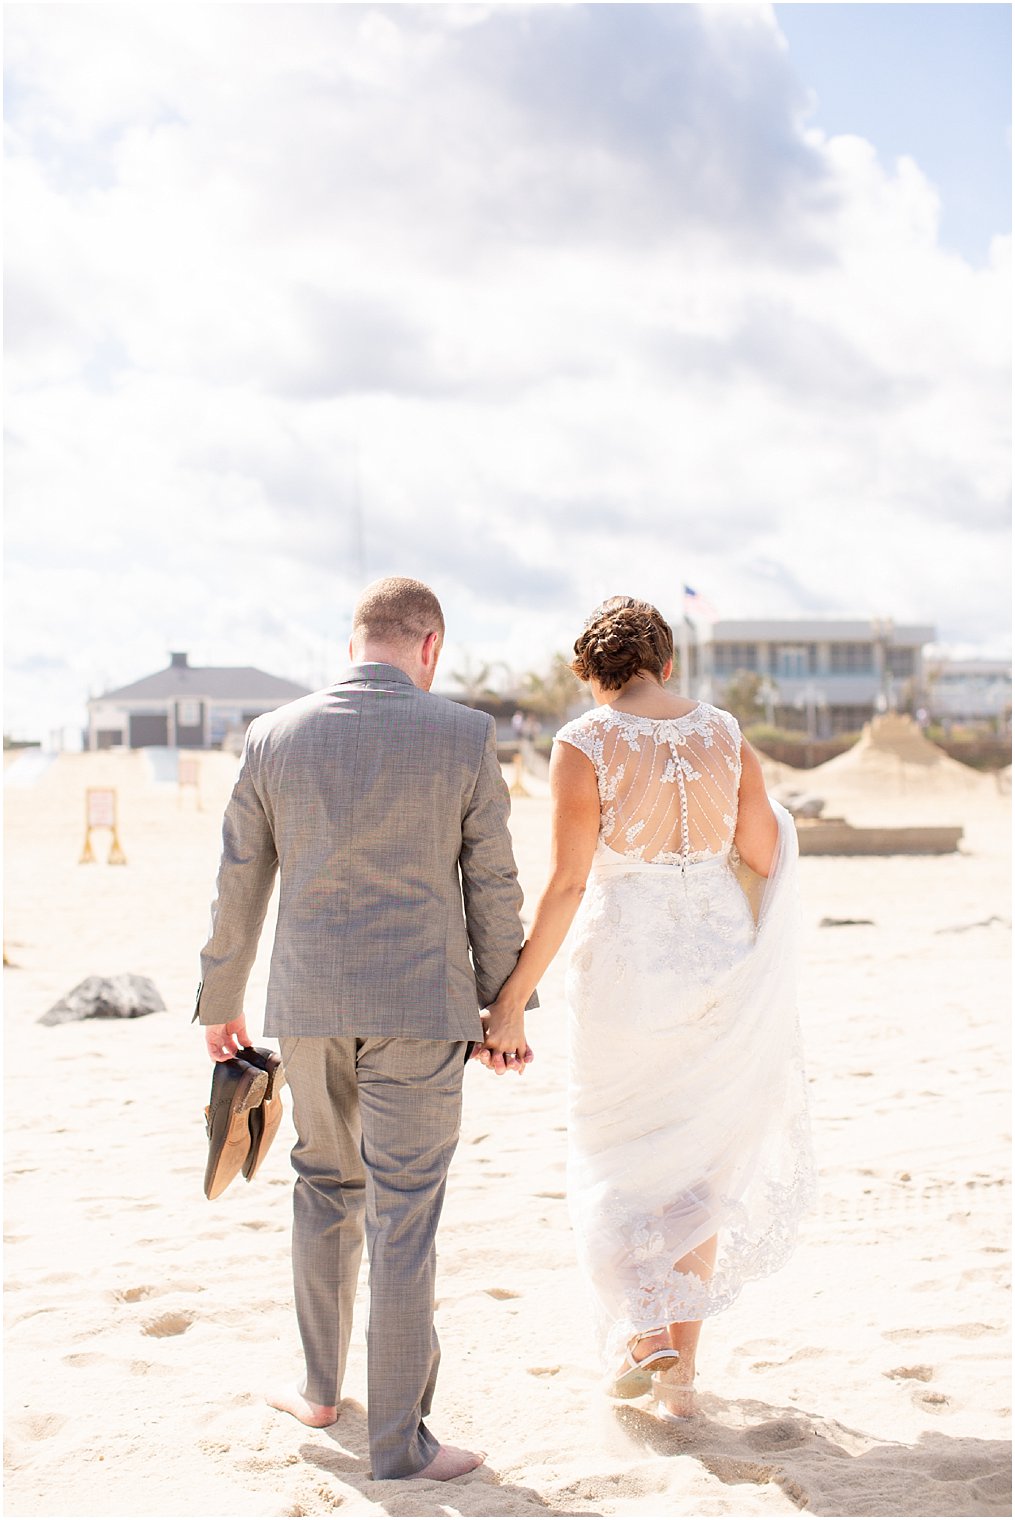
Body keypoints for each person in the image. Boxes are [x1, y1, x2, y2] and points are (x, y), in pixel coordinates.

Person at [195, 576, 534, 1480]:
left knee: (323, 1183)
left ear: (355, 642)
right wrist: (506, 1009)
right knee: (405, 1217)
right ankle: (398, 1444)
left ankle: (316, 1390)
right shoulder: (463, 734)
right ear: (430, 645)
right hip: (421, 1007)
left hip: (306, 1004)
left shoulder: (274, 735)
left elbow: (238, 878)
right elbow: (491, 885)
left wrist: (219, 998)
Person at [476, 596, 814, 1418]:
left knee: (616, 1155)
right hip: (719, 966)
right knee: (696, 1166)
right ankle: (679, 1382)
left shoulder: (583, 742)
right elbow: (763, 853)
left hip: (629, 965)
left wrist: (511, 1001)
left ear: (591, 674)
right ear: (666, 664)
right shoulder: (725, 734)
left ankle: (643, 1329)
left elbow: (564, 883)